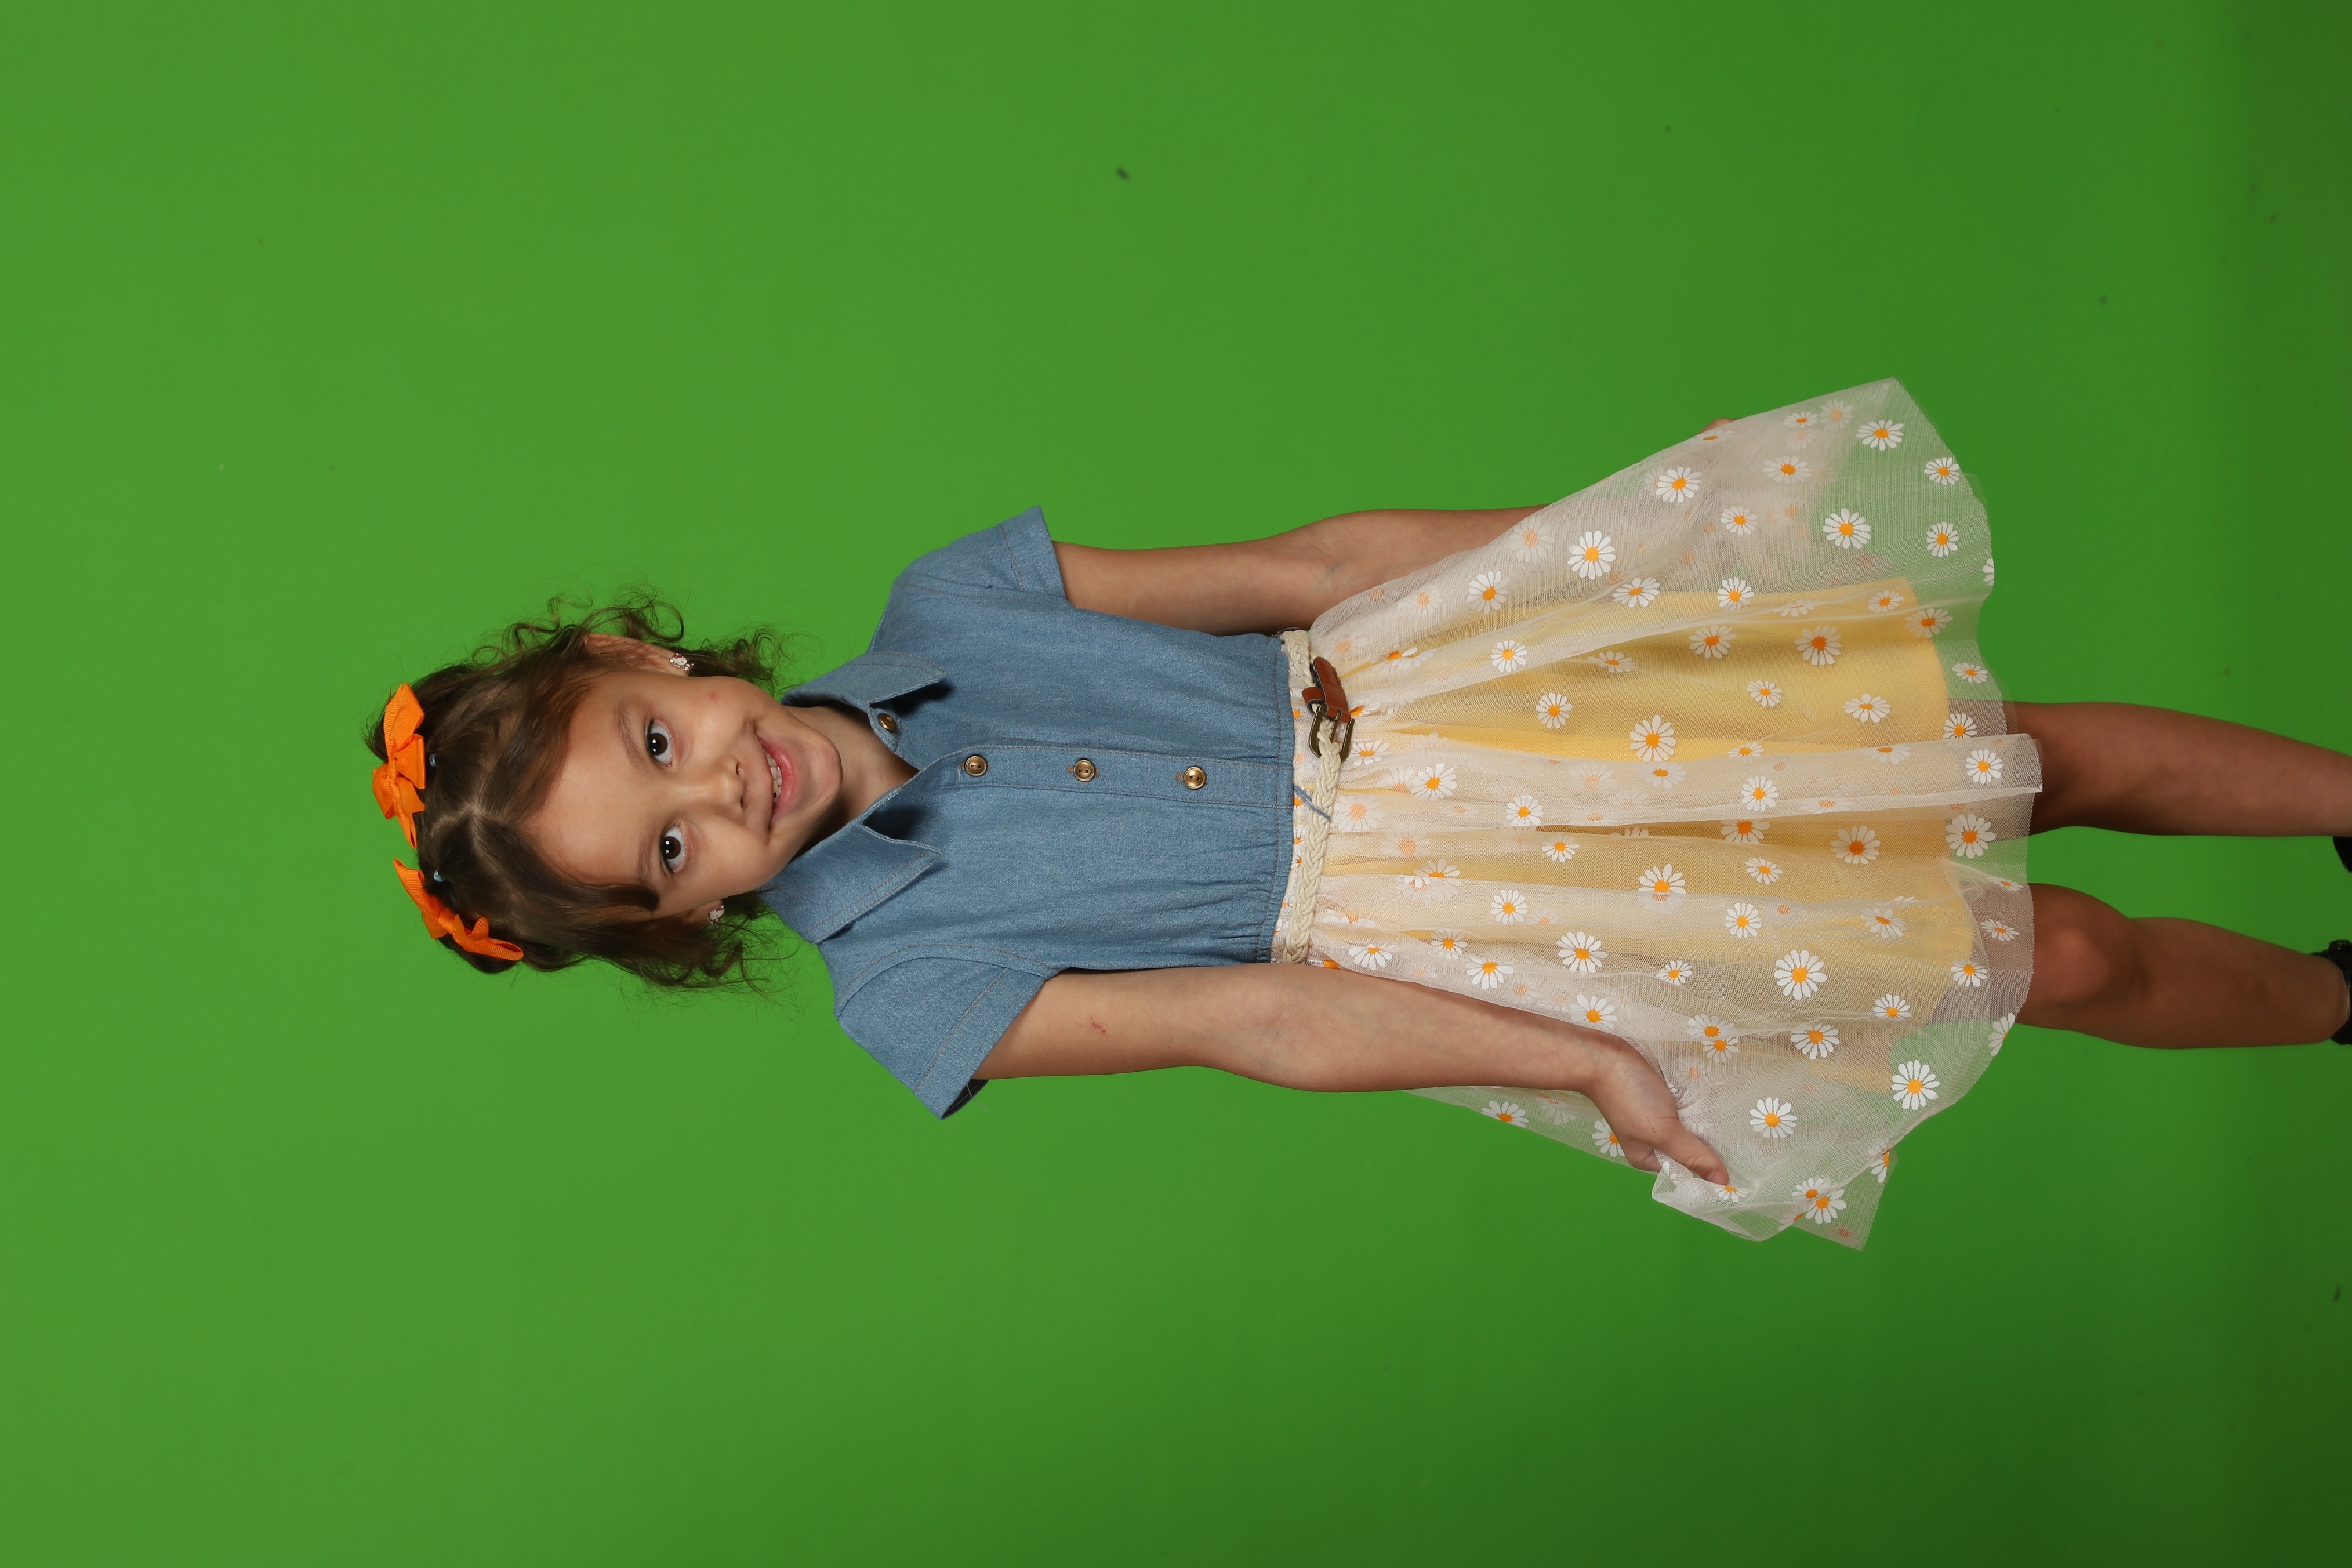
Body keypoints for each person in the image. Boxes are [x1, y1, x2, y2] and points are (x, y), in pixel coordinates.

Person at [365, 381, 2352, 1246]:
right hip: (1477, 917)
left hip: (1497, 698)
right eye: (671, 853)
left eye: (657, 744)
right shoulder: (913, 987)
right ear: (688, 924)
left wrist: (1612, 554)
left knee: (2013, 755)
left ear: (650, 657)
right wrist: (1583, 1063)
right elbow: (1261, 1019)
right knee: (2044, 955)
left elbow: (1311, 565)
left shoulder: (959, 601)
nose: (717, 791)